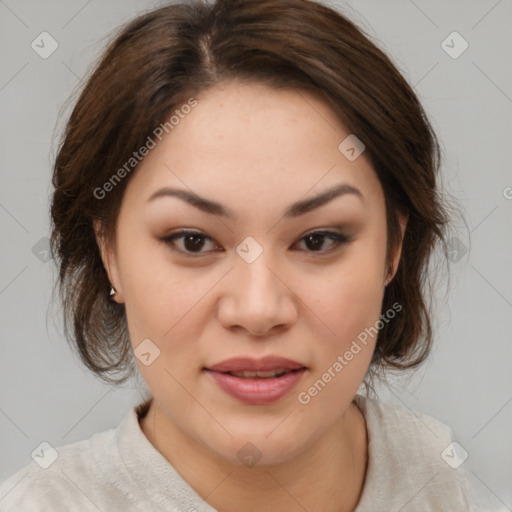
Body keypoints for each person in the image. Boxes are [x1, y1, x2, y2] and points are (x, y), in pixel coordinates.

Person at [0, 0, 478, 510]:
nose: (258, 310)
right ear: (110, 254)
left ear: (394, 250)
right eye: (193, 241)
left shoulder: (433, 469)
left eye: (318, 240)